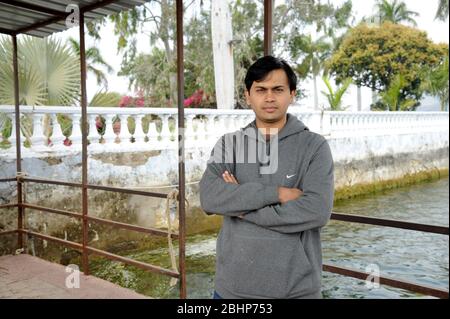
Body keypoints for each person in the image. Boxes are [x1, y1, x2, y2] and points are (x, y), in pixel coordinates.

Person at [199, 56, 334, 299]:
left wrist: (241, 207)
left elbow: (316, 210)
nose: (269, 97)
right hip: (231, 290)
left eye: (278, 89)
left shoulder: (314, 146)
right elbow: (209, 197)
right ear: (248, 95)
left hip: (295, 292)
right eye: (260, 89)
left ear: (292, 94)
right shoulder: (229, 144)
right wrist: (277, 194)